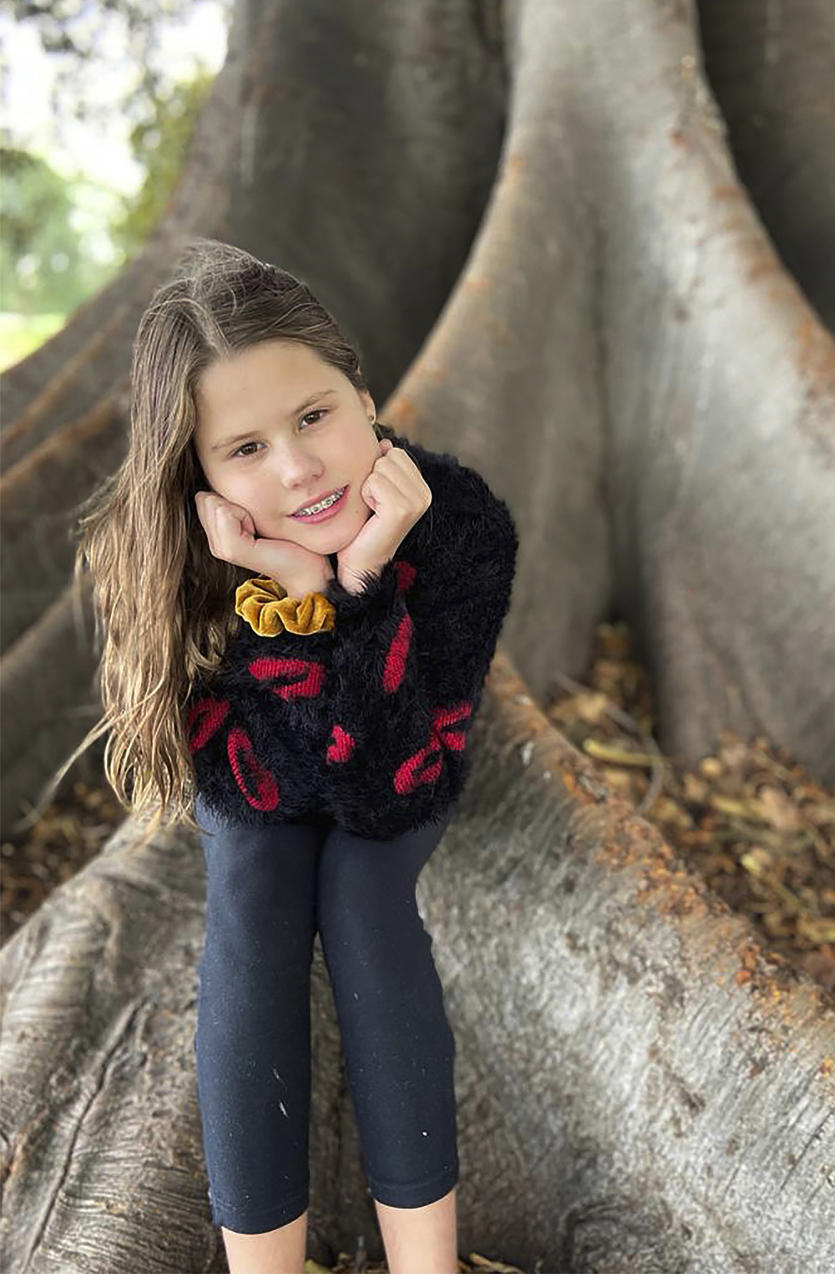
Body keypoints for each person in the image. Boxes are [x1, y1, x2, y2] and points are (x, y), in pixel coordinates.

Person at [58, 237, 519, 1274]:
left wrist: (350, 591)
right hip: (262, 773)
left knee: (361, 893)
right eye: (246, 448)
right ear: (201, 472)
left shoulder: (460, 525)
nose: (298, 467)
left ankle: (426, 1263)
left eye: (314, 416)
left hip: (402, 767)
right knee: (257, 884)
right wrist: (286, 587)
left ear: (361, 393)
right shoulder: (182, 562)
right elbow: (256, 781)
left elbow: (388, 789)